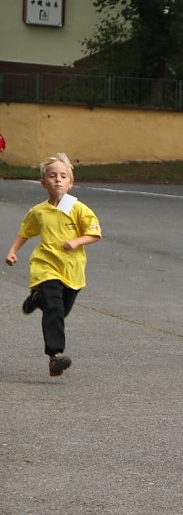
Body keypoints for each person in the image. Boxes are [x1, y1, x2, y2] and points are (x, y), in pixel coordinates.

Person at [4, 153, 102, 377]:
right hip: (45, 266)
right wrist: (12, 251)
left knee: (60, 310)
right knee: (55, 308)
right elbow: (25, 232)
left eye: (63, 176)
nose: (58, 179)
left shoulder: (79, 209)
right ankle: (55, 356)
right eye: (52, 175)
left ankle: (37, 299)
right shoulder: (38, 211)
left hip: (72, 270)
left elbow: (95, 233)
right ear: (43, 182)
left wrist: (76, 242)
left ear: (71, 183)